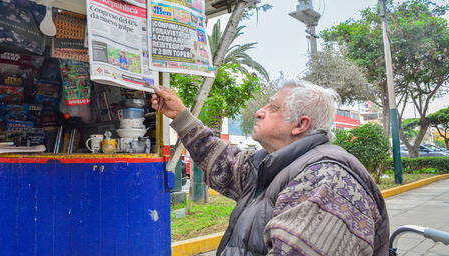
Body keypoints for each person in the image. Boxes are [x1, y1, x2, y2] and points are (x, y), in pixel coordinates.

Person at [151, 80, 389, 256]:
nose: (259, 112)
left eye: (273, 108)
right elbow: (224, 163)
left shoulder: (326, 179)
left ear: (300, 124)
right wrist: (181, 116)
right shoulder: (273, 164)